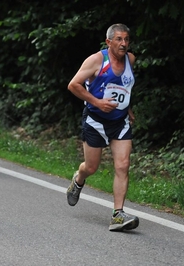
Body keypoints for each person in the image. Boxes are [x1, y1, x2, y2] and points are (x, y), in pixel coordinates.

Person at [66, 23, 139, 231]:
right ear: (108, 42)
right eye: (119, 39)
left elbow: (124, 86)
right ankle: (78, 180)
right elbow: (73, 85)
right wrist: (97, 102)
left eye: (126, 39)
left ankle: (118, 214)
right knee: (91, 167)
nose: (123, 44)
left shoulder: (130, 60)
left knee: (123, 165)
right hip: (96, 120)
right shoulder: (97, 60)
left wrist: (128, 107)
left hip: (120, 122)